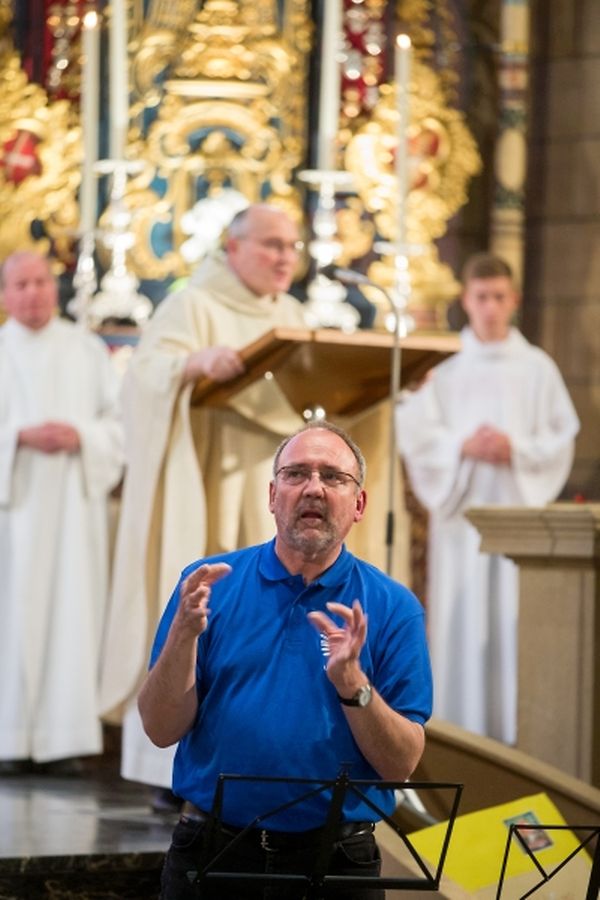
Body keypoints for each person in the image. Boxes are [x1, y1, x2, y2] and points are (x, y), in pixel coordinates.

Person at [138, 420, 432, 899]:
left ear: (359, 504)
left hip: (335, 862)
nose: (313, 487)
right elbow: (159, 728)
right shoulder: (210, 585)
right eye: (297, 474)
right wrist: (182, 638)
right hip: (213, 853)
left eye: (333, 477)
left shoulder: (393, 607)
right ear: (272, 495)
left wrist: (353, 684)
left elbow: (401, 764)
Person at [99, 204, 310, 796]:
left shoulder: (292, 313)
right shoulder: (194, 303)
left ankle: (259, 762)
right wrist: (192, 364)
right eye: (271, 245)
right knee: (206, 615)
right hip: (211, 483)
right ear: (234, 247)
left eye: (291, 247)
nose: (284, 257)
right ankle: (177, 770)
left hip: (279, 490)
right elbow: (144, 377)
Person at [395, 252, 580, 745]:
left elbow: (563, 435)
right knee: (460, 615)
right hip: (462, 521)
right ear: (466, 300)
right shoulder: (446, 363)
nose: (491, 307)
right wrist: (461, 445)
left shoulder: (537, 367)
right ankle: (460, 734)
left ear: (514, 300)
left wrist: (515, 449)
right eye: (482, 297)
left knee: (511, 619)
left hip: (519, 517)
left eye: (500, 297)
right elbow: (413, 428)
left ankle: (518, 734)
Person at [0, 251, 124, 772]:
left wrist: (84, 436)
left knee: (72, 613)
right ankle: (7, 739)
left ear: (56, 289)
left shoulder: (86, 349)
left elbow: (120, 426)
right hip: (12, 508)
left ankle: (64, 741)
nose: (33, 293)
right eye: (21, 284)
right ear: (5, 294)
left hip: (74, 508)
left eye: (41, 282)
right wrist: (17, 436)